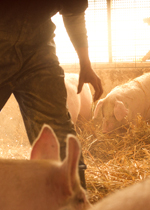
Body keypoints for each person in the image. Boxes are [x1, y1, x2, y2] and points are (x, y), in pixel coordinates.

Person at [0, 0, 103, 188]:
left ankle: (72, 198)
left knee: (57, 130)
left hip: (38, 51)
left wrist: (85, 64)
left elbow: (74, 14)